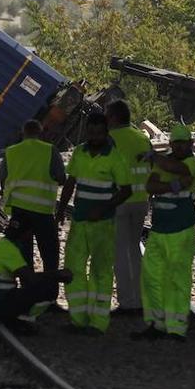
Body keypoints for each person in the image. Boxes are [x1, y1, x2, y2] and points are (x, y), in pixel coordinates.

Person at [55, 111, 132, 334]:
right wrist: (60, 210)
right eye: (91, 133)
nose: (95, 137)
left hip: (103, 225)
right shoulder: (80, 151)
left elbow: (126, 190)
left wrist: (105, 208)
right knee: (73, 269)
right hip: (79, 221)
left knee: (101, 272)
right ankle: (78, 319)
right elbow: (71, 182)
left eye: (99, 133)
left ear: (106, 132)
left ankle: (98, 323)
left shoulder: (115, 157)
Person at [132, 124, 195, 342]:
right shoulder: (166, 163)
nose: (180, 147)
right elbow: (151, 186)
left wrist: (157, 159)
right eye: (176, 144)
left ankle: (176, 327)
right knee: (152, 277)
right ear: (171, 144)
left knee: (177, 279)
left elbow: (183, 174)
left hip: (181, 231)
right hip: (159, 230)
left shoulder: (194, 163)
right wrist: (173, 185)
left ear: (190, 144)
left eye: (184, 143)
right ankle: (157, 323)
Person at [0, 215, 73, 335]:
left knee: (37, 285)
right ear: (26, 233)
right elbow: (30, 278)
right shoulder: (9, 250)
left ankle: (15, 317)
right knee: (45, 289)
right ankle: (22, 320)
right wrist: (57, 275)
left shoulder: (4, 245)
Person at [0, 119, 66, 284]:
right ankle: (50, 294)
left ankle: (28, 291)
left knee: (24, 254)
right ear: (40, 133)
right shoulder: (50, 150)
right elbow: (61, 178)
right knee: (50, 253)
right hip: (43, 211)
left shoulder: (11, 151)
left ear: (23, 133)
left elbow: (3, 180)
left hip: (19, 211)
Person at [106, 100, 153, 317]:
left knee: (120, 253)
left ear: (114, 118)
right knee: (134, 249)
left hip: (119, 201)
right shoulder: (142, 138)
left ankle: (128, 302)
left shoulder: (110, 139)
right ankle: (141, 299)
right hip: (141, 199)